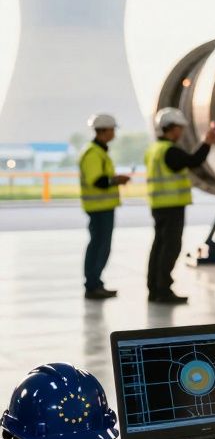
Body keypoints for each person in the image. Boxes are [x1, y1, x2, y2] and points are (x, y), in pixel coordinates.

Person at [143, 107, 215, 305]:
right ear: (172, 129)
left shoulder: (154, 149)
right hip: (171, 206)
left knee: (158, 247)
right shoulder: (170, 151)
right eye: (180, 128)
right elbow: (193, 161)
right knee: (170, 248)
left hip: (159, 206)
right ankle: (164, 290)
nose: (181, 132)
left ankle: (154, 289)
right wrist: (207, 143)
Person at [79, 113, 132, 300]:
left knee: (101, 245)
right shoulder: (93, 153)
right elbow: (98, 181)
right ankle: (92, 285)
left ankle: (96, 283)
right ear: (104, 131)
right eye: (112, 129)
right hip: (99, 208)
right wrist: (117, 180)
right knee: (99, 246)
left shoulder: (100, 151)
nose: (114, 133)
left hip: (103, 207)